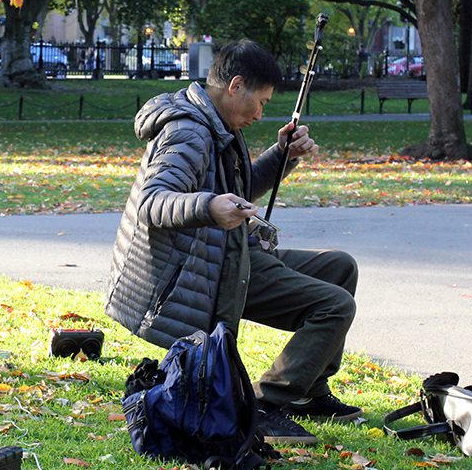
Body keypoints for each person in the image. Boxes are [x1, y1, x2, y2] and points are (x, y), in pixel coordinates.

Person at [105, 40, 359, 446]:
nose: (261, 113)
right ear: (235, 85)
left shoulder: (218, 124)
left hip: (229, 254)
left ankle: (308, 390)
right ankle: (267, 405)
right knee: (334, 306)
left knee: (340, 267)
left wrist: (282, 155)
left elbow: (238, 190)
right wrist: (208, 206)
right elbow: (152, 204)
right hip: (203, 274)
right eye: (259, 102)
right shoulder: (188, 132)